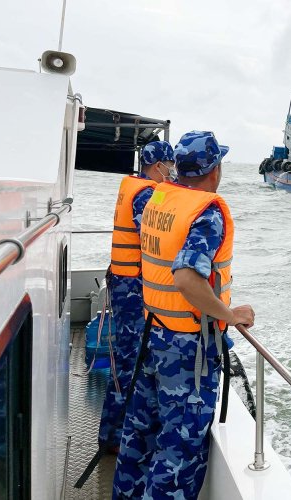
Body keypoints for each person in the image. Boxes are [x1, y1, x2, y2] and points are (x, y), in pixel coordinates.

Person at [112, 131, 254, 499]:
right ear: (215, 168)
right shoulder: (206, 212)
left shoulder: (159, 198)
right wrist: (229, 315)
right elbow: (188, 277)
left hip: (152, 331)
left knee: (139, 433)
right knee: (179, 450)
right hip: (186, 348)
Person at [98, 140, 175, 452]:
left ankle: (116, 434)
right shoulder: (145, 194)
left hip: (123, 281)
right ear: (157, 166)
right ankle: (114, 437)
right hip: (132, 289)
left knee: (127, 358)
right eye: (170, 167)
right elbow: (155, 237)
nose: (172, 174)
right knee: (130, 362)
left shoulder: (131, 185)